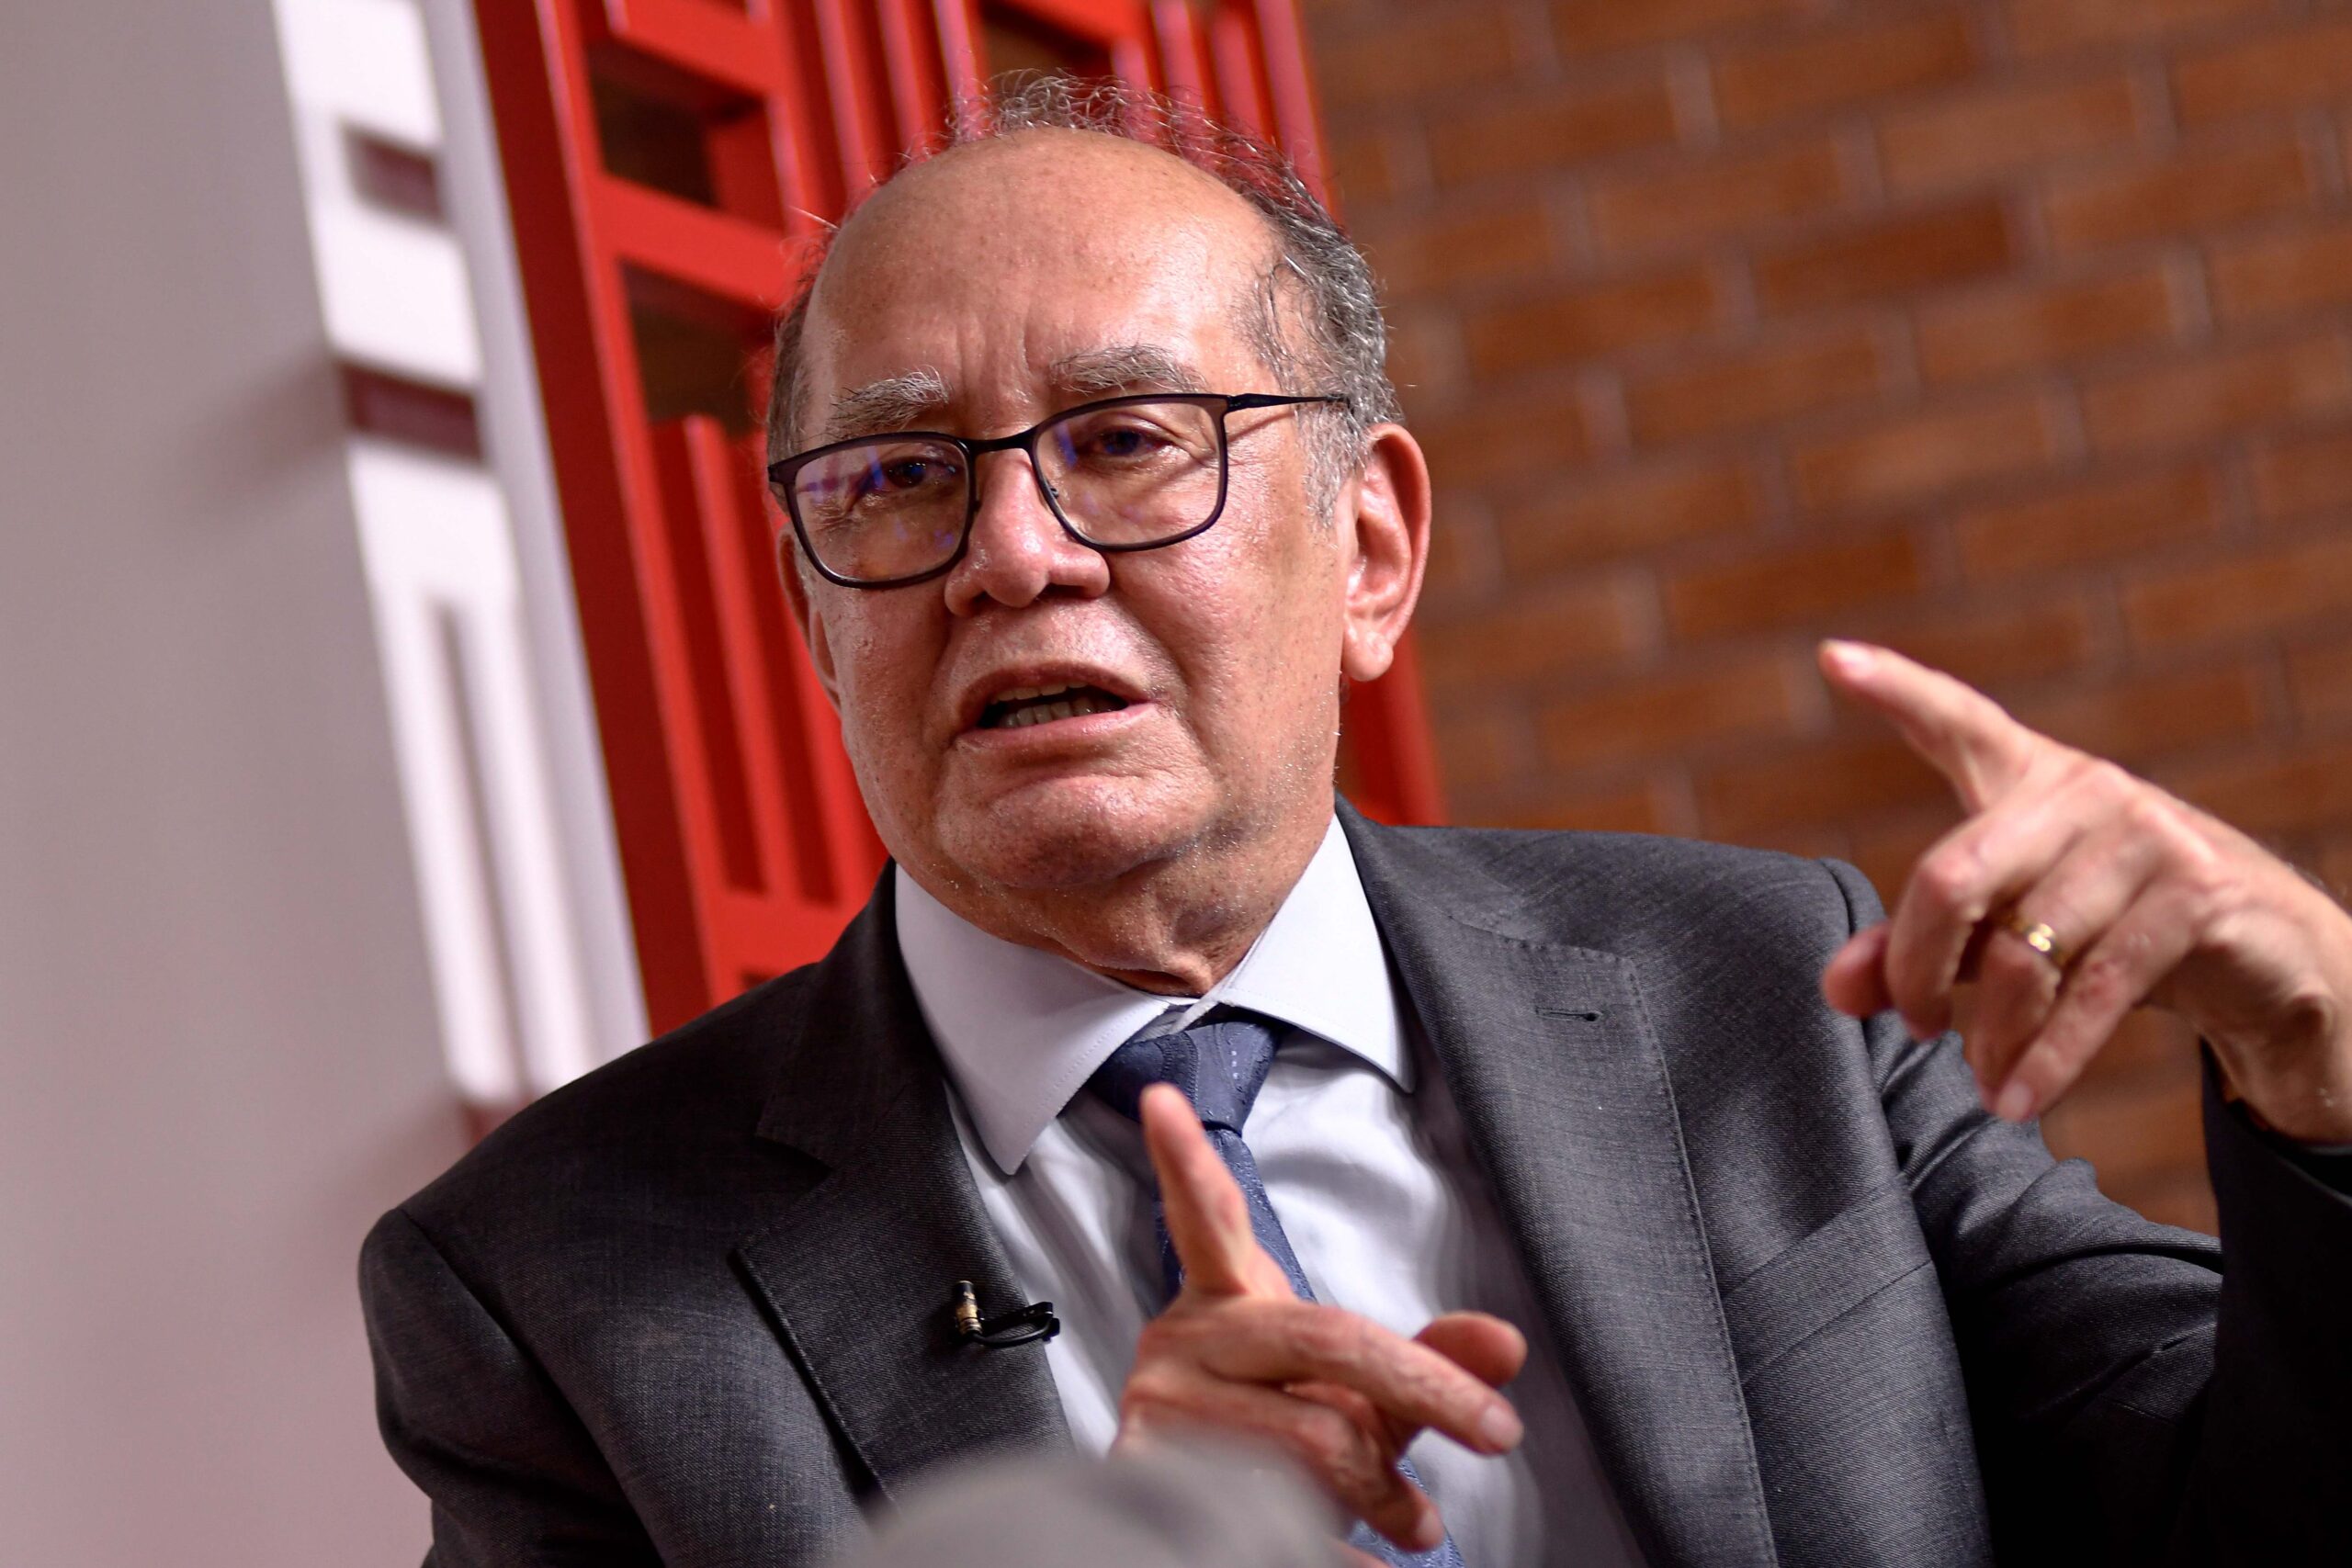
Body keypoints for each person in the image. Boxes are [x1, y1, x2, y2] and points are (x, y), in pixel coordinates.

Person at [361, 80, 2352, 1567]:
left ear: (1372, 549)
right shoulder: (559, 1283)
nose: (1013, 553)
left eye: (1125, 441)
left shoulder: (1767, 994)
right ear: (813, 614)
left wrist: (2326, 1080)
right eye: (895, 477)